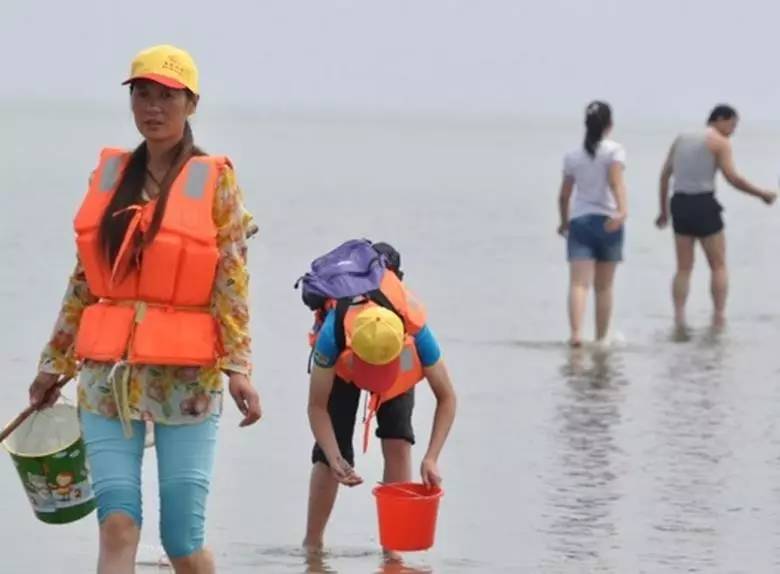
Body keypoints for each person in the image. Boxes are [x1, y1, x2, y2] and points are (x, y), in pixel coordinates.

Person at [28, 44, 262, 574]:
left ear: (191, 104)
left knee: (182, 539)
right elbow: (85, 281)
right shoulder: (110, 177)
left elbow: (232, 281)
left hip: (187, 382)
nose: (152, 108)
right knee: (117, 524)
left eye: (166, 97)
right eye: (142, 95)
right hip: (107, 380)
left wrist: (239, 368)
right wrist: (54, 364)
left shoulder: (214, 179)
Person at [302, 243, 457, 557]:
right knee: (331, 450)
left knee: (399, 440)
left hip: (399, 364)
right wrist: (334, 457)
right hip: (343, 373)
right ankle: (313, 545)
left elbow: (448, 397)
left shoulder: (415, 328)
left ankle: (393, 551)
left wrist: (432, 457)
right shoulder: (333, 334)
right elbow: (316, 406)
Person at [656, 104, 777, 330]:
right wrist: (761, 194)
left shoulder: (681, 138)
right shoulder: (719, 142)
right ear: (720, 119)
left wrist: (664, 212)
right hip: (703, 203)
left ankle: (679, 317)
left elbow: (664, 176)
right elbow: (732, 178)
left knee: (683, 267)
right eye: (732, 125)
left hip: (680, 203)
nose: (732, 131)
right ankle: (719, 316)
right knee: (718, 265)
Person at [557, 101, 628, 347]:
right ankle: (600, 339)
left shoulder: (572, 156)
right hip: (609, 221)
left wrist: (564, 222)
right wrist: (622, 211)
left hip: (581, 221)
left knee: (578, 283)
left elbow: (564, 195)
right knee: (604, 286)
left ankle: (576, 335)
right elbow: (615, 182)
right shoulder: (614, 151)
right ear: (610, 125)